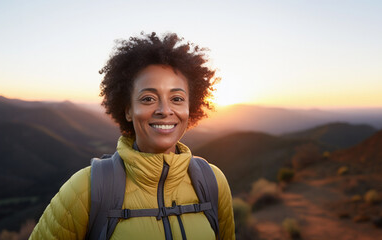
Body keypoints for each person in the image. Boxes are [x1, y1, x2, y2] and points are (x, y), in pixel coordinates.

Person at [29, 32, 235, 239]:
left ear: (191, 107)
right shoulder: (86, 189)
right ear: (128, 110)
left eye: (177, 98)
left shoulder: (213, 183)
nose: (165, 110)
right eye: (148, 98)